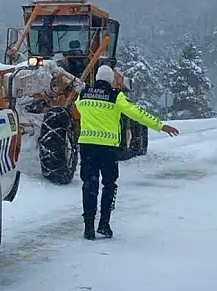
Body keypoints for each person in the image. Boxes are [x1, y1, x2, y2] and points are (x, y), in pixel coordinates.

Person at [75, 64, 179, 240]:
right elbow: (137, 113)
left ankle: (88, 228)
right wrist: (160, 125)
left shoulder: (83, 95)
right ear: (110, 80)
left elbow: (78, 109)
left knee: (89, 185)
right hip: (108, 149)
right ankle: (104, 224)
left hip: (87, 147)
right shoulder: (116, 96)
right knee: (109, 185)